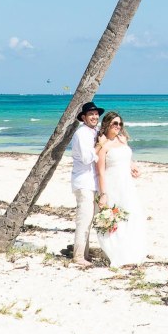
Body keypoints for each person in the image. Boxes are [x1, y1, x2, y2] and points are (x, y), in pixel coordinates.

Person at [95, 111, 146, 266]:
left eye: (120, 123)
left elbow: (126, 158)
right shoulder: (103, 145)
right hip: (112, 185)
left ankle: (131, 251)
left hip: (127, 184)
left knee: (132, 215)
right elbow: (100, 172)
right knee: (115, 219)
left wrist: (133, 166)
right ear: (107, 124)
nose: (118, 126)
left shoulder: (122, 140)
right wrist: (103, 194)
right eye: (115, 123)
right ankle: (116, 254)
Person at [71, 100, 104, 267]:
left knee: (89, 220)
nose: (94, 116)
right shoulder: (81, 133)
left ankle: (84, 254)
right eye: (91, 114)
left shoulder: (95, 131)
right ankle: (78, 257)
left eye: (96, 114)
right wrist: (99, 146)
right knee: (84, 220)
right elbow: (86, 158)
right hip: (83, 182)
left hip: (92, 182)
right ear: (83, 117)